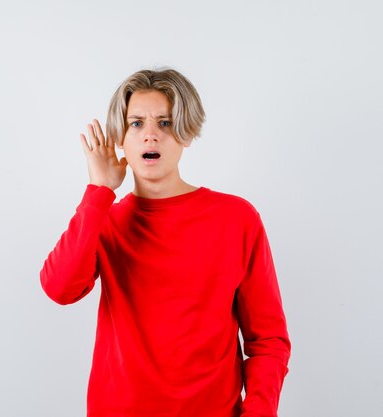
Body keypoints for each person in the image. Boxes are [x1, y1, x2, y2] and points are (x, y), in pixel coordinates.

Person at [40, 68, 291, 417]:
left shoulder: (237, 219)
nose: (150, 136)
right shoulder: (104, 219)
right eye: (136, 123)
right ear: (120, 138)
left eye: (166, 123)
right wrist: (99, 191)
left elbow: (268, 341)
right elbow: (59, 288)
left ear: (186, 134)